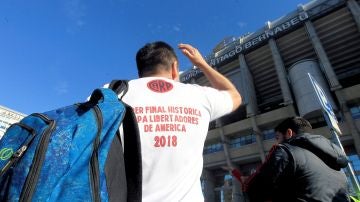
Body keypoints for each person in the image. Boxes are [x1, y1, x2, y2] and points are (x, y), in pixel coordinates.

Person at [111, 41, 241, 201]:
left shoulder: (113, 94)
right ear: (174, 68)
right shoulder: (200, 96)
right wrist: (201, 64)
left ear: (140, 72)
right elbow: (234, 95)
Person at [241, 116, 350, 202]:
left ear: (289, 133)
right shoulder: (335, 161)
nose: (277, 142)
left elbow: (256, 189)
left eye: (278, 137)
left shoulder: (285, 151)